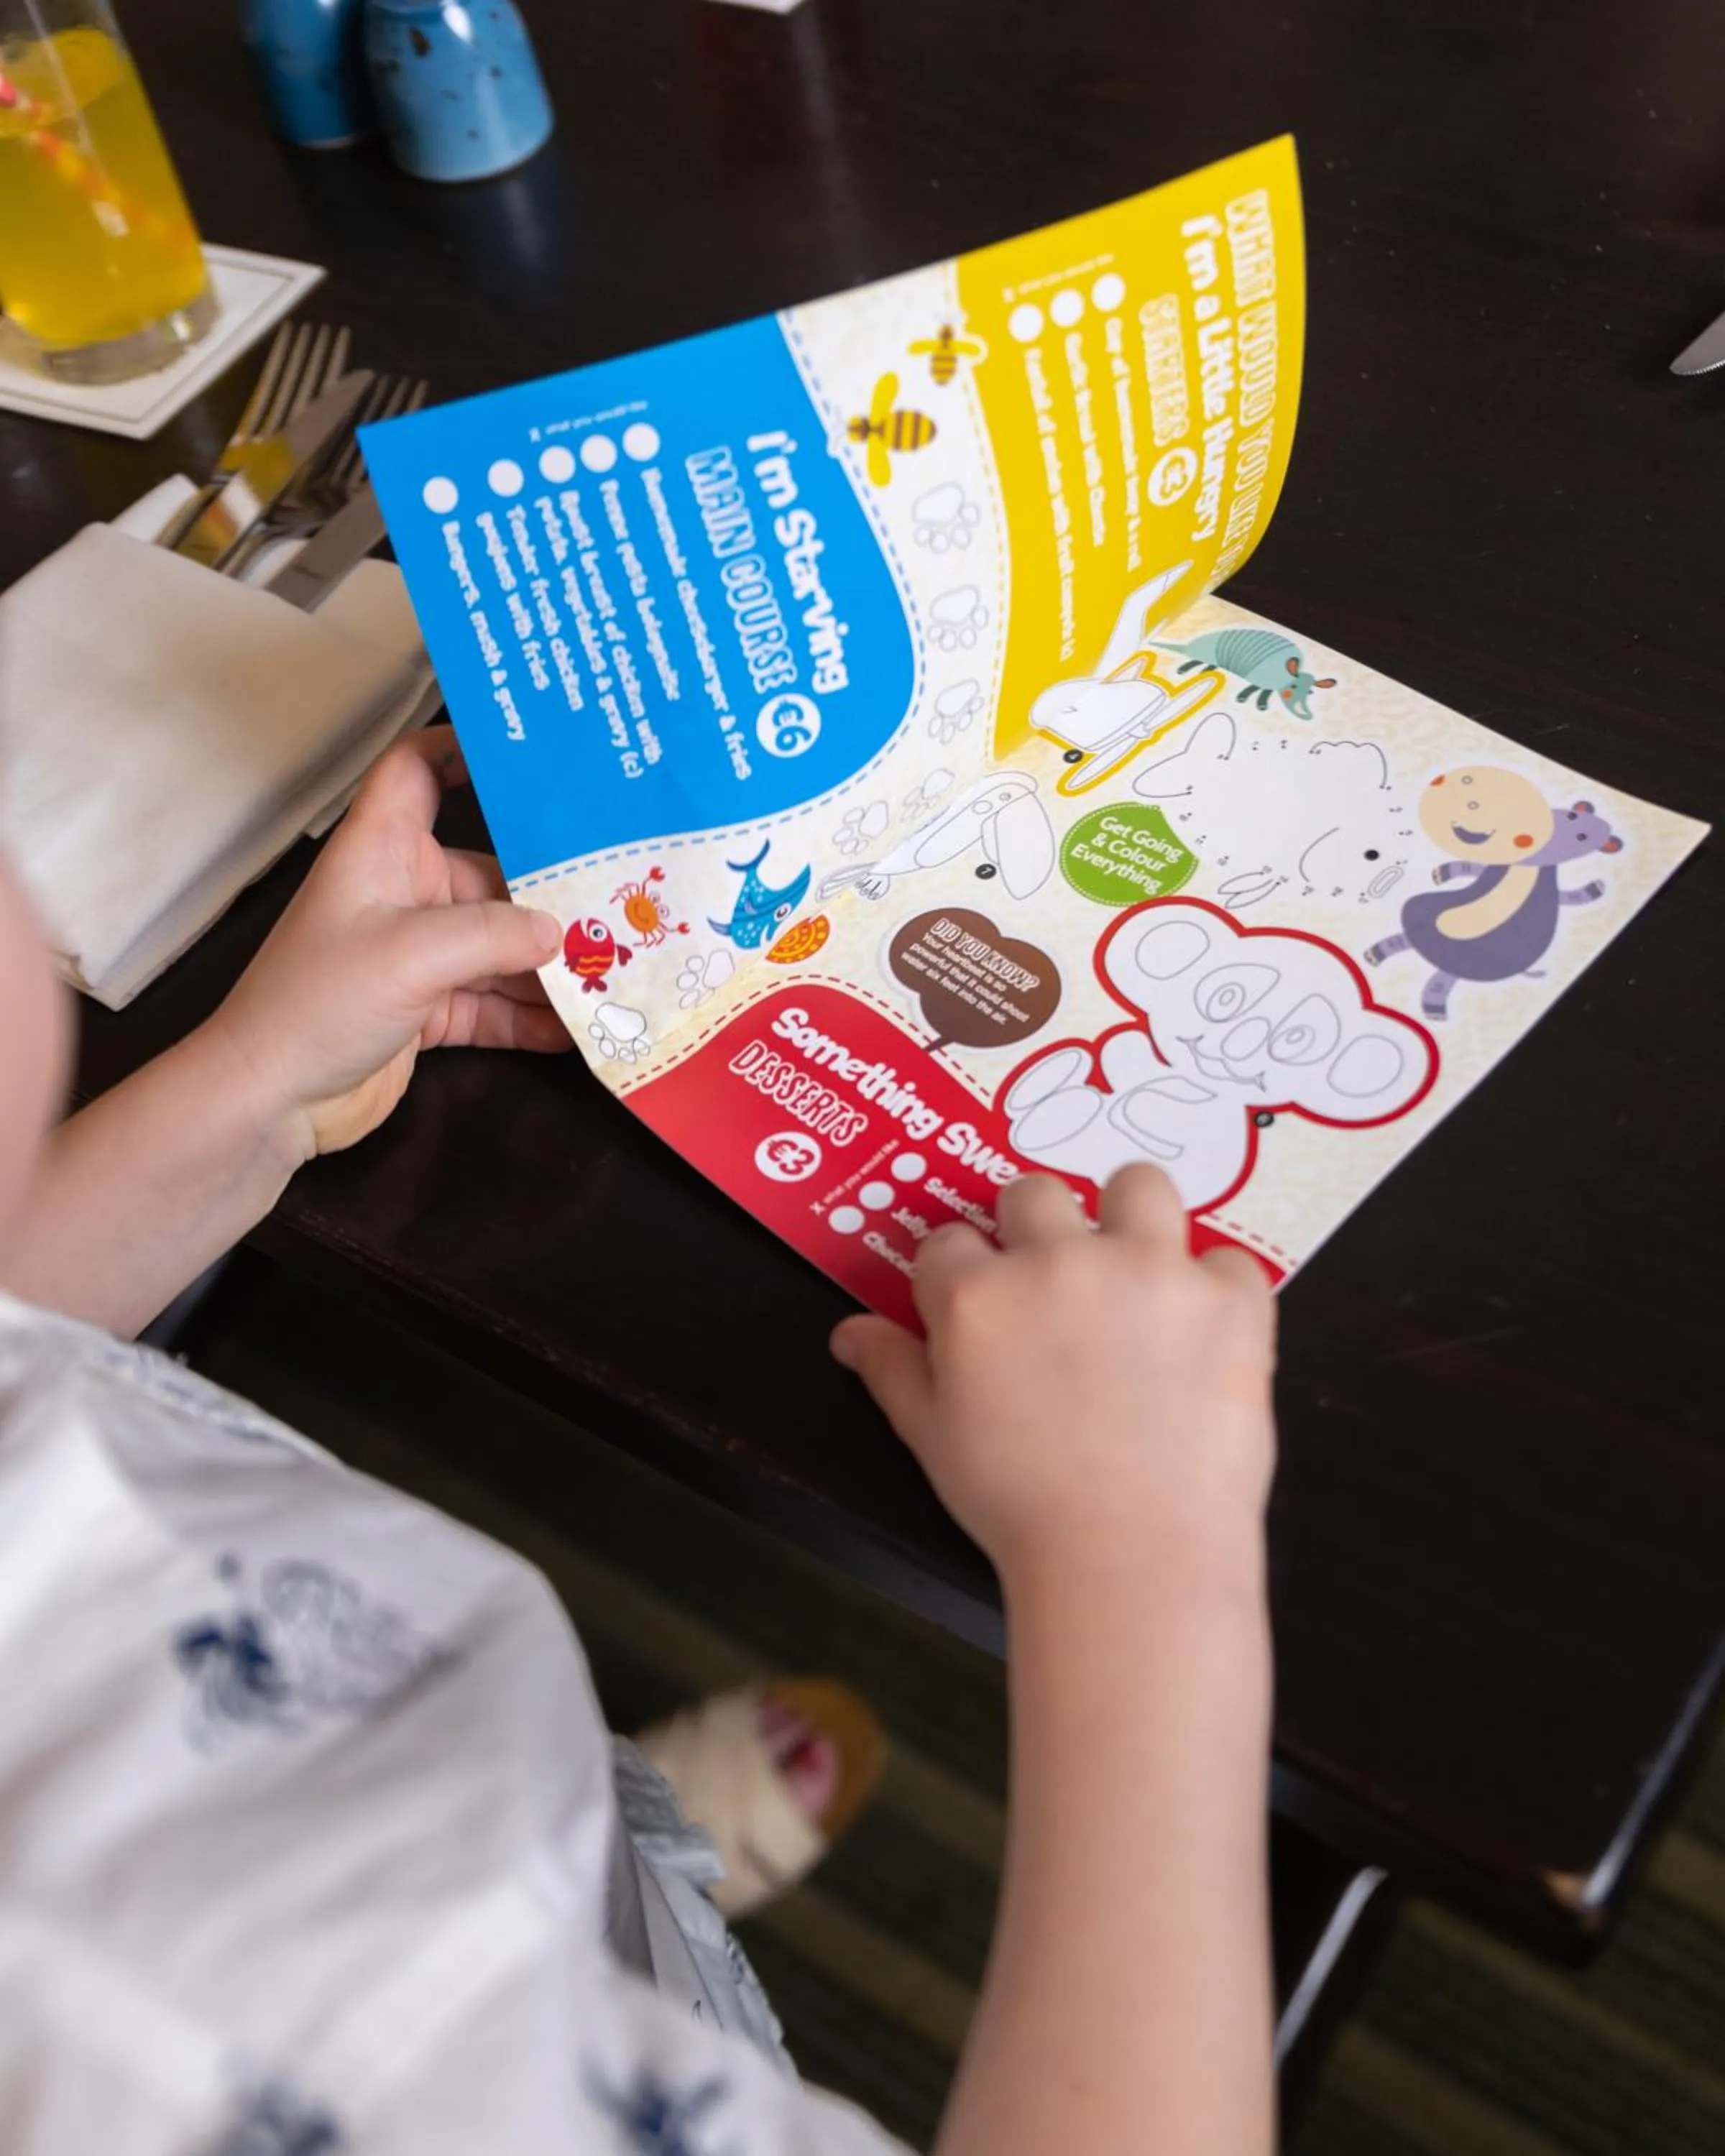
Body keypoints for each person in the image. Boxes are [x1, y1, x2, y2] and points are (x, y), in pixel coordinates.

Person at [0, 728, 1279, 2155]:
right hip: (507, 2067)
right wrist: (1145, 1555)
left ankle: (581, 1895)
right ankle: (612, 1987)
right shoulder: (160, 2027)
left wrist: (257, 1091)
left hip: (344, 1778)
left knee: (572, 1851)